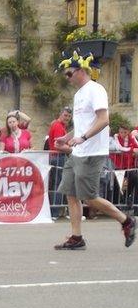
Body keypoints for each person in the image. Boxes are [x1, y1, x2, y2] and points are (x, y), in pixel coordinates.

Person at [54, 51, 135, 249]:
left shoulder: (95, 90)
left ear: (81, 70)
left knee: (89, 196)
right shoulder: (78, 94)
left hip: (92, 152)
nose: (68, 78)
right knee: (70, 193)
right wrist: (67, 136)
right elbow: (83, 123)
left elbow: (103, 120)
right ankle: (76, 237)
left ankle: (126, 220)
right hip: (78, 152)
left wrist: (83, 137)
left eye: (69, 73)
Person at [47, 107, 72, 219]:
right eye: (65, 115)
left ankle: (58, 210)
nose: (67, 118)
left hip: (56, 156)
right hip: (58, 156)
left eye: (69, 116)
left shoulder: (59, 126)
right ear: (60, 115)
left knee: (57, 184)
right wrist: (71, 148)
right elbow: (58, 144)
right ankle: (56, 211)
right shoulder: (57, 126)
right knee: (59, 184)